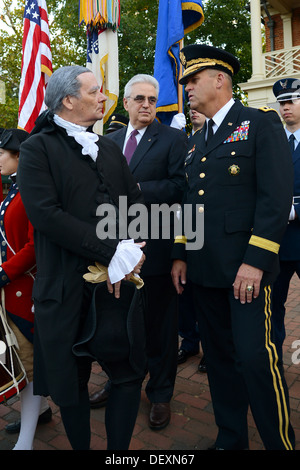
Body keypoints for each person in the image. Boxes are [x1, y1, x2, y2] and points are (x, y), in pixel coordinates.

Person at [171, 44, 295, 450]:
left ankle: (280, 443)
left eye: (193, 80)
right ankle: (230, 439)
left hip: (246, 272)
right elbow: (189, 201)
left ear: (219, 79)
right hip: (204, 271)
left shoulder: (259, 124)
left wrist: (256, 262)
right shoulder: (195, 140)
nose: (186, 88)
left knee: (256, 361)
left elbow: (274, 199)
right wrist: (179, 252)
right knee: (220, 362)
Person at [17, 65, 147, 450]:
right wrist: (113, 252)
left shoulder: (108, 146)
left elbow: (133, 202)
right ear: (69, 100)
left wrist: (135, 248)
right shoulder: (35, 148)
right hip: (65, 288)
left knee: (126, 375)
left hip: (118, 287)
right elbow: (46, 215)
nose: (104, 96)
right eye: (96, 91)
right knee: (70, 384)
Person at [89, 74, 187, 430]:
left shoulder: (174, 139)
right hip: (115, 249)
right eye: (140, 99)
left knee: (160, 328)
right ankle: (119, 382)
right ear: (126, 103)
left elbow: (181, 187)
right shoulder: (108, 140)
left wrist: (136, 187)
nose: (147, 105)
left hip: (158, 250)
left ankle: (160, 394)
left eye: (152, 99)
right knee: (120, 325)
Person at [0, 128, 51, 450]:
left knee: (29, 365)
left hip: (23, 290)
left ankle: (26, 440)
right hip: (8, 288)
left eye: (2, 153)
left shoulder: (32, 189)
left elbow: (35, 247)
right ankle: (41, 412)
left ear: (18, 155)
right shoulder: (10, 188)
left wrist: (4, 273)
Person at [271, 78, 300, 364]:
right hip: (277, 241)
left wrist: (294, 209)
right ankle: (275, 360)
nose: (285, 107)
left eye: (291, 101)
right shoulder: (274, 141)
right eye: (281, 102)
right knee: (273, 306)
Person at [177, 108, 206, 372]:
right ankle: (189, 342)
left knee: (207, 294)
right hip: (186, 227)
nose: (193, 112)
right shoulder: (187, 143)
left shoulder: (217, 139)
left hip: (211, 232)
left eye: (198, 109)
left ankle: (210, 346)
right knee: (185, 293)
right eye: (190, 110)